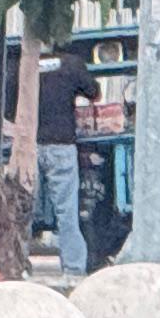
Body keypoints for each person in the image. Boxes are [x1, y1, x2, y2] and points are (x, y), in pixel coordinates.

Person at [33, 40, 95, 275]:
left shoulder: (26, 64)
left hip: (31, 146)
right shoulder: (72, 64)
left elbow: (8, 105)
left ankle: (16, 262)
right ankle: (73, 268)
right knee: (67, 212)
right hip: (62, 145)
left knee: (23, 210)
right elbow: (93, 91)